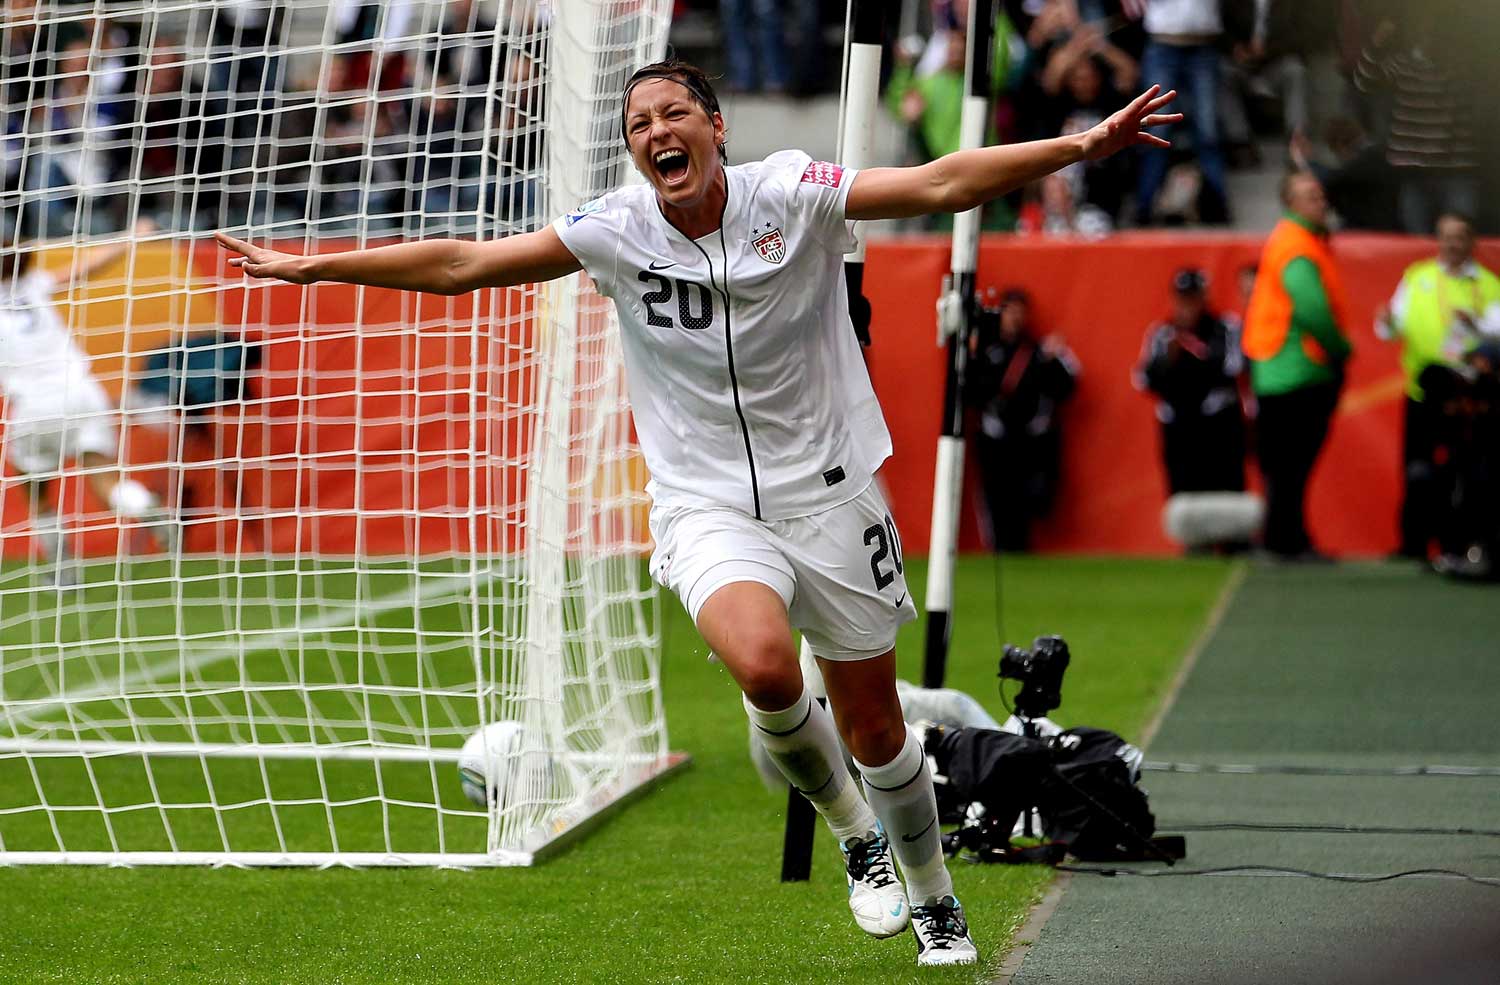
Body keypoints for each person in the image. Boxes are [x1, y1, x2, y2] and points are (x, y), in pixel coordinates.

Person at [216, 59, 1177, 967]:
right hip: (703, 501)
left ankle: (932, 892)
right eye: (638, 124)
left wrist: (1079, 148)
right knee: (762, 663)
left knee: (878, 726)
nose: (655, 132)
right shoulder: (614, 228)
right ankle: (857, 840)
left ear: (715, 127)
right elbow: (468, 261)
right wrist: (318, 269)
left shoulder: (792, 190)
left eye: (673, 113)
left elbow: (936, 184)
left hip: (833, 491)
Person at [0, 220, 174, 581]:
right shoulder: (33, 285)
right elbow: (88, 267)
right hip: (82, 390)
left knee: (36, 493)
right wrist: (131, 237)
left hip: (33, 403)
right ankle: (143, 504)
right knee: (105, 477)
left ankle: (63, 568)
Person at [1376, 212, 1500, 559]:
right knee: (1419, 470)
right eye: (1445, 236)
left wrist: (1478, 324)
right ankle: (1413, 544)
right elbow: (1391, 329)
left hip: (1471, 399)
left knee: (1469, 471)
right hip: (1424, 392)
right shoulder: (1417, 277)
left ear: (1472, 241)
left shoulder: (1490, 284)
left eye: (1459, 237)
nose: (1452, 244)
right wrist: (1385, 321)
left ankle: (1461, 544)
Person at [1242, 172, 1352, 560]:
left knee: (1283, 466)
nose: (1320, 202)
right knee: (1293, 465)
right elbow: (1311, 308)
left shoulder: (1292, 241)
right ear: (1291, 204)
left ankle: (1281, 538)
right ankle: (1289, 540)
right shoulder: (1298, 245)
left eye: (1321, 195)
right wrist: (1340, 349)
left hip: (1277, 368)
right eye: (1310, 196)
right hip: (1300, 368)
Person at [968, 288, 1080, 550]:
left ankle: (1022, 548)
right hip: (995, 439)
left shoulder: (1040, 351)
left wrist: (1053, 361)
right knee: (996, 502)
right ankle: (1000, 548)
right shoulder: (986, 350)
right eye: (1010, 312)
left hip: (1030, 442)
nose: (1015, 318)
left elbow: (1067, 387)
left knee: (1030, 503)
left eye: (1020, 312)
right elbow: (971, 392)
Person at [1134, 267, 1246, 496]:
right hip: (1180, 430)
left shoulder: (1226, 328)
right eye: (1182, 299)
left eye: (1193, 299)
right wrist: (1169, 360)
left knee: (1225, 497)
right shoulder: (1162, 334)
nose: (1187, 307)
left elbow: (1234, 367)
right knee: (1184, 499)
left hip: (1218, 429)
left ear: (1204, 298)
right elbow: (1143, 379)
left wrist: (1195, 357)